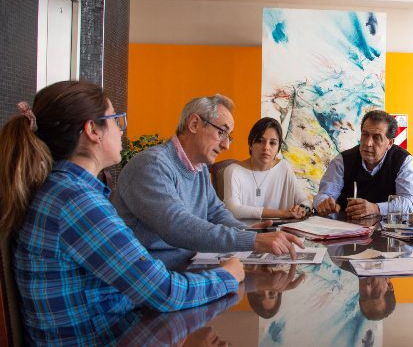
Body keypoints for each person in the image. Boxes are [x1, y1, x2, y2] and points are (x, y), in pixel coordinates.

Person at [0, 81, 246, 345]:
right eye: (116, 120)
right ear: (93, 130)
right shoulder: (77, 201)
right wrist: (227, 275)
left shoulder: (68, 191)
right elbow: (164, 291)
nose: (121, 130)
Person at [112, 94, 302, 266]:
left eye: (229, 137)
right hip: (155, 278)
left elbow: (215, 211)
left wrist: (247, 233)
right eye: (222, 132)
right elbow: (177, 226)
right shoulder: (152, 165)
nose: (226, 145)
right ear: (194, 124)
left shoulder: (199, 167)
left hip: (188, 265)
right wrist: (252, 240)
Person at [313, 110, 413, 220]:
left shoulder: (402, 160)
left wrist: (376, 208)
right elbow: (323, 195)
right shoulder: (343, 160)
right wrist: (324, 204)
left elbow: (409, 202)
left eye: (376, 137)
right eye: (365, 135)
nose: (368, 143)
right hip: (349, 230)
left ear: (389, 143)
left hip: (389, 231)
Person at [223, 117, 308, 219]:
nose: (266, 147)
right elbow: (233, 209)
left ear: (278, 149)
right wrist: (283, 214)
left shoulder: (284, 168)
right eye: (260, 141)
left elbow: (305, 201)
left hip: (281, 232)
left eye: (272, 143)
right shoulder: (233, 171)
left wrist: (302, 208)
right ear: (250, 144)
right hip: (247, 232)